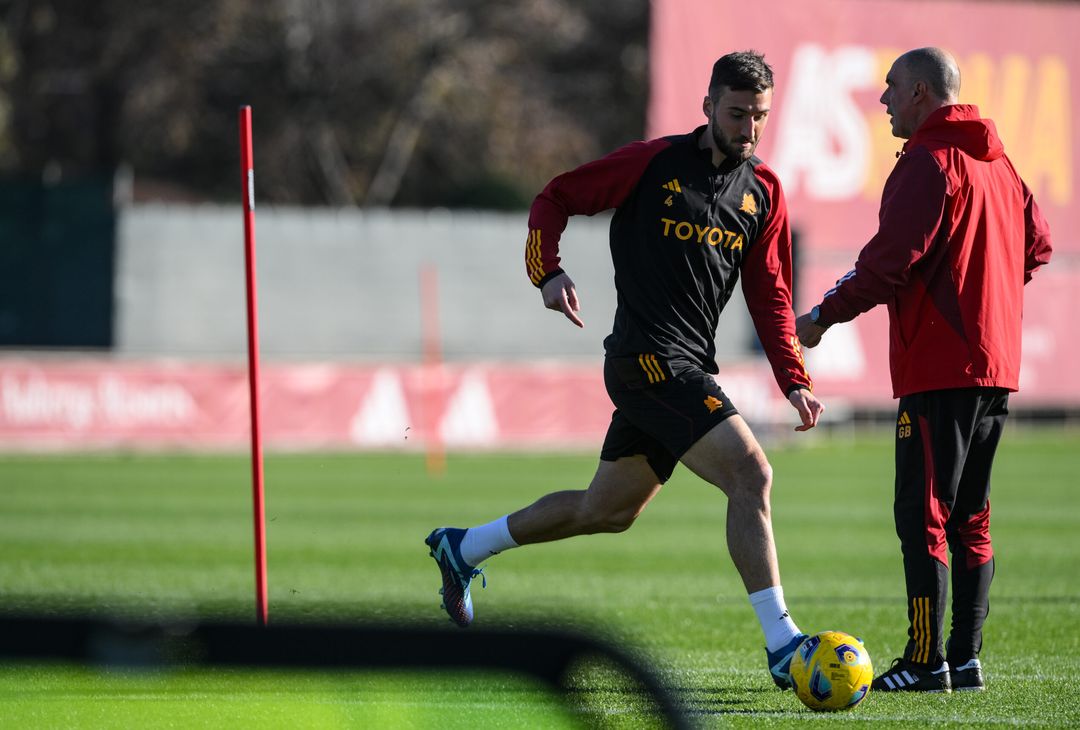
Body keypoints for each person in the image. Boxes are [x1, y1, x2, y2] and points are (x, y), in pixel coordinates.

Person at [426, 50, 824, 689]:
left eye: (760, 116)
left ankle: (464, 548)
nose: (749, 128)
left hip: (686, 365)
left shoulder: (763, 193)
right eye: (737, 113)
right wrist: (547, 273)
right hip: (646, 362)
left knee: (605, 511)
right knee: (752, 475)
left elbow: (770, 295)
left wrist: (795, 378)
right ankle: (783, 644)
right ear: (707, 106)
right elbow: (554, 197)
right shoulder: (653, 164)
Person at [796, 47, 1053, 693]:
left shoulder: (929, 163)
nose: (881, 101)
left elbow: (888, 263)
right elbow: (1038, 244)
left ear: (917, 91)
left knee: (924, 516)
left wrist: (823, 315)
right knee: (972, 516)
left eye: (888, 89)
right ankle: (964, 659)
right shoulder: (1001, 164)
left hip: (940, 366)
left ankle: (924, 661)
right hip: (995, 364)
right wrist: (989, 292)